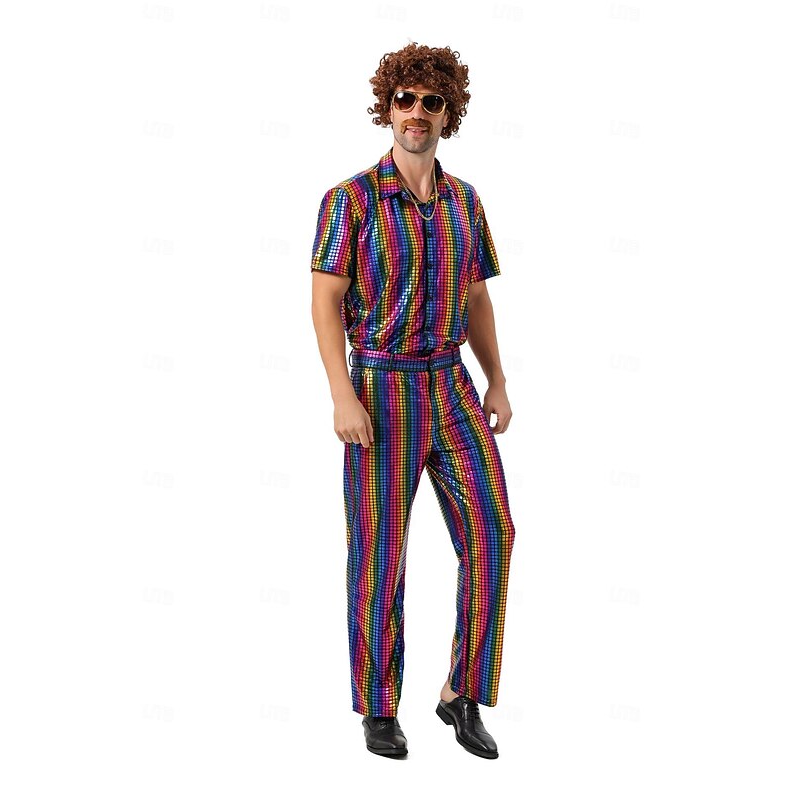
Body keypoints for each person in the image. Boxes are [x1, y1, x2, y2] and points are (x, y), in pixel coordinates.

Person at [310, 42, 516, 759]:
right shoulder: (350, 201)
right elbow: (325, 300)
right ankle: (378, 706)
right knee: (379, 553)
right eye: (405, 99)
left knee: (493, 533)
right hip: (381, 387)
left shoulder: (465, 201)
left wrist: (496, 378)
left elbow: (476, 295)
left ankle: (461, 692)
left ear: (448, 113)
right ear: (387, 107)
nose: (417, 113)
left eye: (432, 102)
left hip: (451, 384)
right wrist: (342, 393)